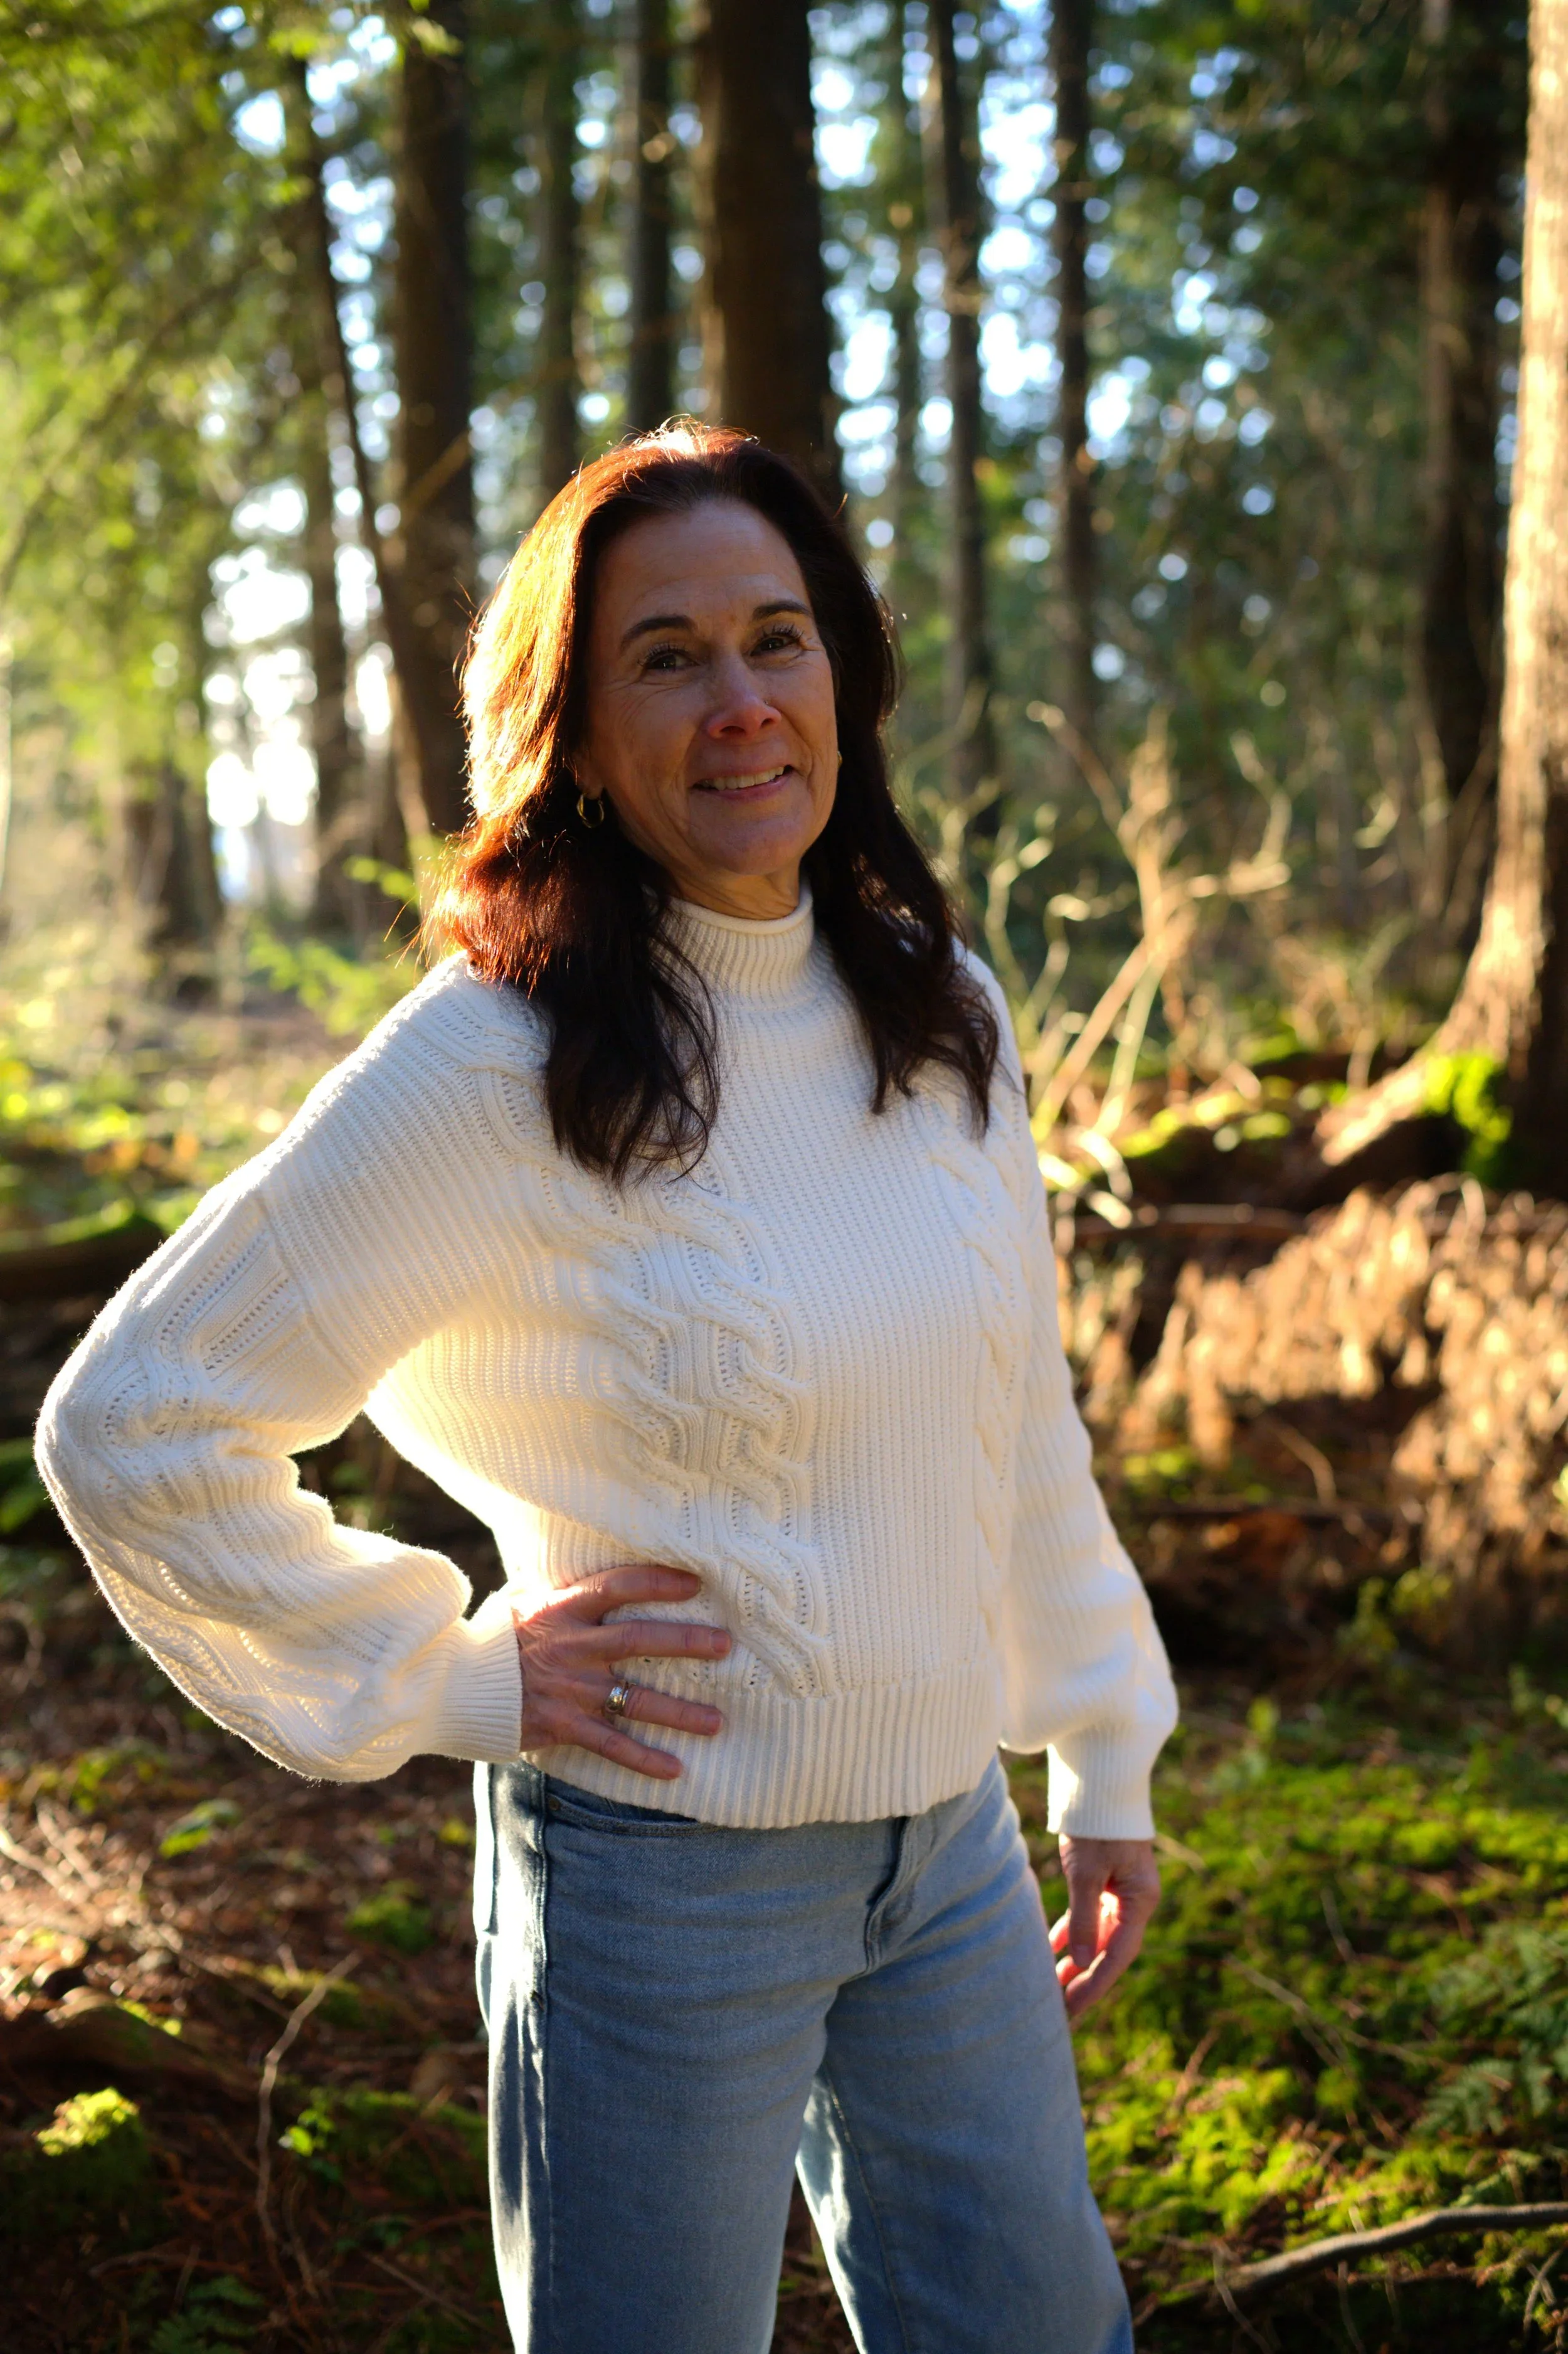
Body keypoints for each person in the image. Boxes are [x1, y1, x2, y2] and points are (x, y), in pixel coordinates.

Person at [38, 422, 1177, 2354]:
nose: (738, 705)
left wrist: (1100, 1739)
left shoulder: (941, 1007)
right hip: (661, 1890)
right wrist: (454, 1676)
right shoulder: (495, 1067)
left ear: (844, 676)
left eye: (776, 639)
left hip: (952, 1858)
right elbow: (135, 1419)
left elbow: (1009, 1416)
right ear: (571, 724)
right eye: (665, 656)